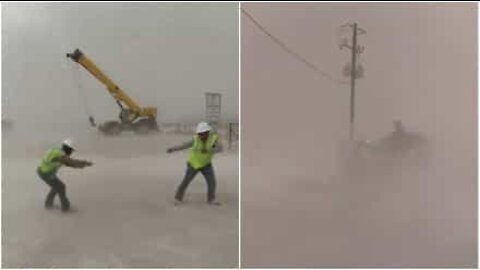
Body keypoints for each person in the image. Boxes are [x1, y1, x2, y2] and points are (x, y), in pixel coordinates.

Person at [167, 122, 223, 205]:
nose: (201, 136)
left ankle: (211, 199)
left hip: (206, 164)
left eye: (203, 134)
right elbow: (184, 145)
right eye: (199, 134)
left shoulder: (214, 138)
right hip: (193, 164)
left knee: (212, 182)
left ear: (207, 133)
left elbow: (220, 149)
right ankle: (178, 198)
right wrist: (173, 149)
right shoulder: (195, 139)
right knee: (186, 181)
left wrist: (210, 150)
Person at [36, 139, 93, 212]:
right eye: (71, 150)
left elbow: (68, 163)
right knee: (61, 187)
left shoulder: (57, 151)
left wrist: (82, 164)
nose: (71, 152)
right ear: (67, 148)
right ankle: (65, 208)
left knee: (57, 186)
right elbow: (71, 162)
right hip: (45, 173)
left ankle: (48, 204)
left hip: (43, 171)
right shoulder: (60, 155)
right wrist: (84, 163)